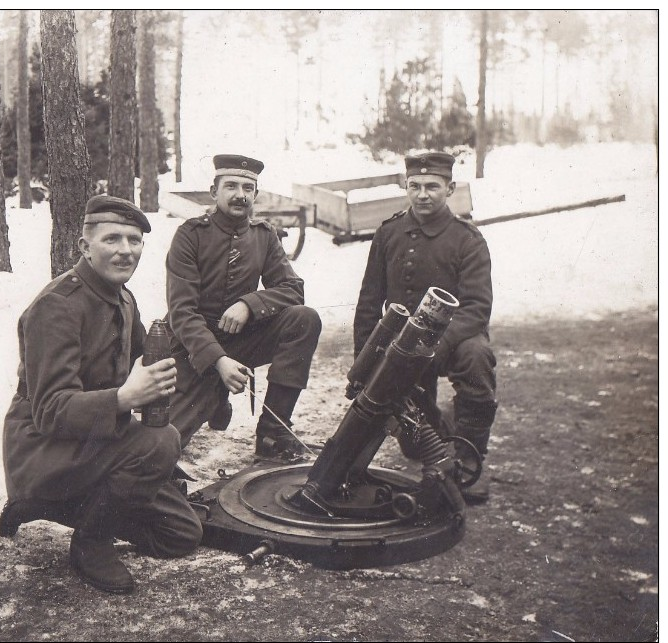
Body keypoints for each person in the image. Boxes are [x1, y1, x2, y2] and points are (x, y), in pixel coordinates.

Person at [0, 195, 202, 594]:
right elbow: (51, 412)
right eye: (112, 239)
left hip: (94, 444)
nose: (126, 251)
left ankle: (49, 507)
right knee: (161, 441)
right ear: (84, 247)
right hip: (43, 448)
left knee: (180, 533)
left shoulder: (123, 299)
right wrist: (125, 400)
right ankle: (90, 540)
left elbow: (146, 360)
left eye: (134, 240)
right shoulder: (57, 306)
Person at [353, 151, 498, 503]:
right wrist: (365, 363)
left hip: (455, 340)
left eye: (432, 186)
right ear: (406, 187)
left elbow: (476, 307)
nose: (422, 194)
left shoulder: (468, 239)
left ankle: (468, 459)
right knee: (414, 446)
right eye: (414, 186)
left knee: (478, 358)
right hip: (402, 340)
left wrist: (437, 346)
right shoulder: (388, 233)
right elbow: (370, 302)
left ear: (449, 189)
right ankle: (439, 437)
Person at [165, 154, 322, 461]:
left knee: (304, 319)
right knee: (162, 446)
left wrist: (250, 304)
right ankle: (215, 395)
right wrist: (218, 360)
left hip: (241, 339)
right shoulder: (190, 235)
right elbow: (181, 312)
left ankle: (272, 435)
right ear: (214, 192)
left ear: (256, 195)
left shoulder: (264, 235)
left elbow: (293, 289)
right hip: (192, 348)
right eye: (231, 186)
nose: (240, 194)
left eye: (248, 188)